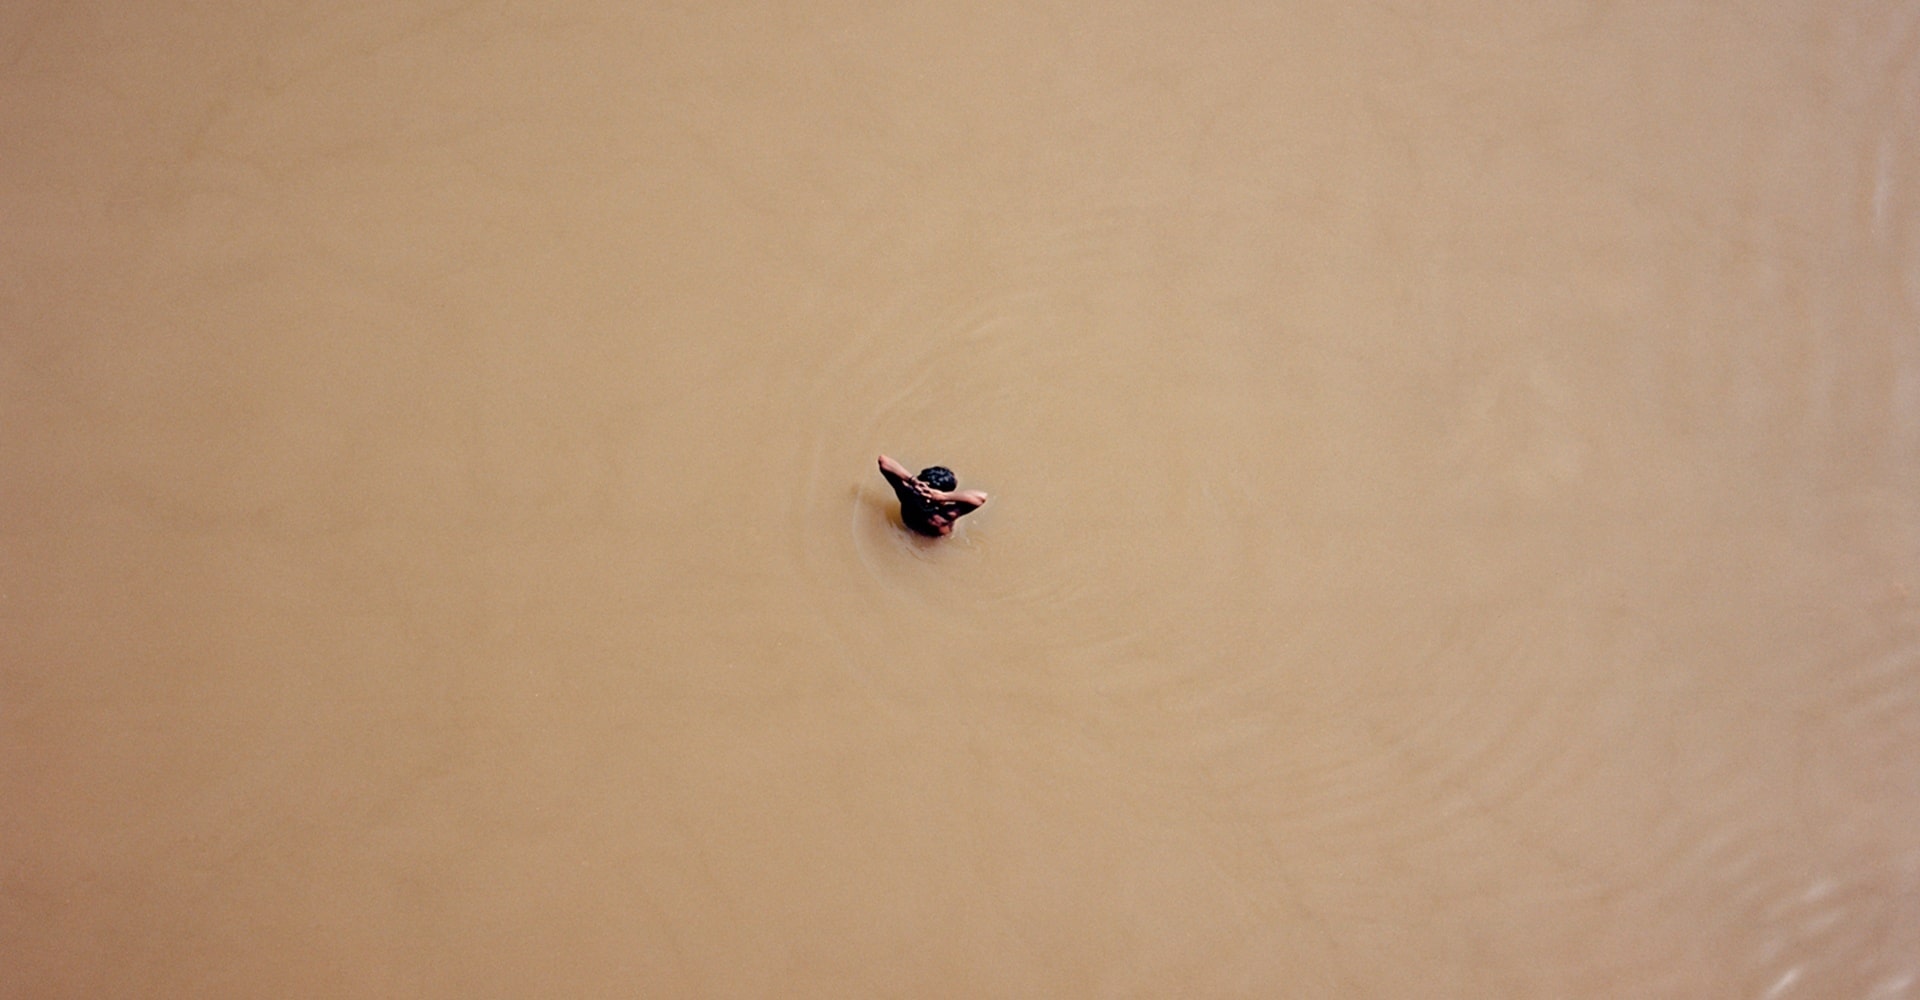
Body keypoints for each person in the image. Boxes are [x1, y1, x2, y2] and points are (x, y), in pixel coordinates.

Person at [877, 454, 988, 537]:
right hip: (936, 539)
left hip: (910, 530)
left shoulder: (907, 495)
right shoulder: (944, 516)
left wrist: (913, 480)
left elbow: (883, 461)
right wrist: (944, 497)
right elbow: (981, 497)